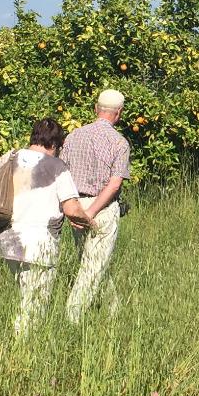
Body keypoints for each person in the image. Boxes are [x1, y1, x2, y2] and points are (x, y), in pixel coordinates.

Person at [0, 118, 90, 339]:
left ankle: (19, 348)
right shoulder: (57, 167)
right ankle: (20, 353)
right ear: (55, 144)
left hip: (8, 238)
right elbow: (72, 209)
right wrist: (89, 221)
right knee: (33, 309)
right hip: (40, 245)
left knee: (26, 298)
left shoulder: (11, 156)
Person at [59, 88, 132, 321]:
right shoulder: (119, 142)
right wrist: (91, 212)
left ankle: (113, 310)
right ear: (118, 113)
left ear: (95, 109)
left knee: (93, 261)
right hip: (102, 208)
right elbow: (114, 185)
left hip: (75, 205)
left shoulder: (73, 136)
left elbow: (62, 174)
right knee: (92, 268)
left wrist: (75, 211)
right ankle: (73, 317)